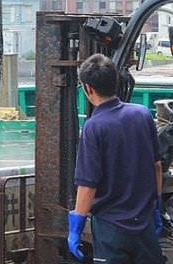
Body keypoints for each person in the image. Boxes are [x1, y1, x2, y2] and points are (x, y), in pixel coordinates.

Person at [68, 53, 165, 263]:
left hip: (111, 229)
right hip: (144, 224)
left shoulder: (94, 127)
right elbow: (157, 166)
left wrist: (76, 226)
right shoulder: (142, 114)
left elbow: (88, 185)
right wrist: (157, 206)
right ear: (116, 81)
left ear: (88, 88)